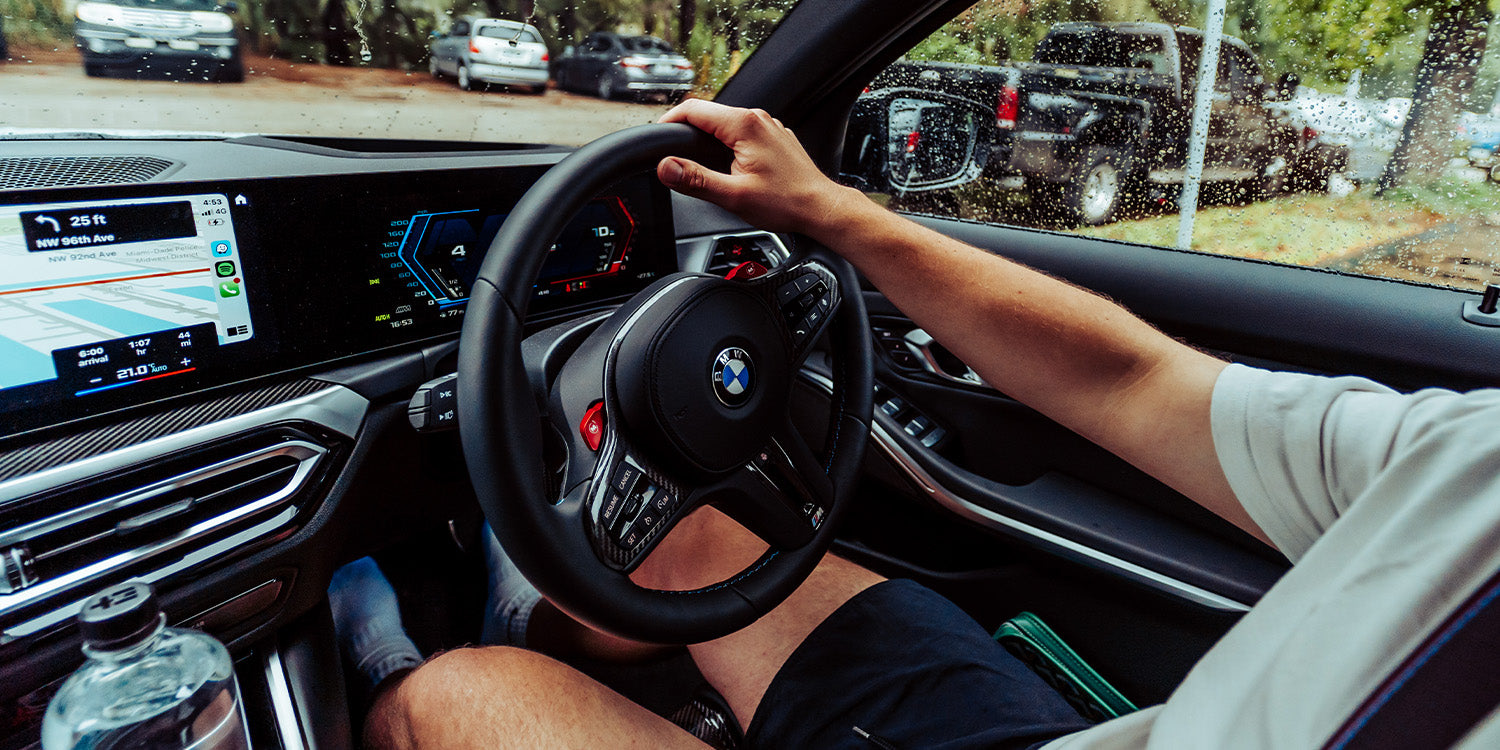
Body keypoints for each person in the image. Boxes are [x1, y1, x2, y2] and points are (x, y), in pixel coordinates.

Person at [340, 100, 1500, 748]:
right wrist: (834, 215)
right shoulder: (1475, 465)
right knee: (683, 542)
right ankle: (522, 582)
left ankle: (384, 659)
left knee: (459, 698)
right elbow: (1130, 381)